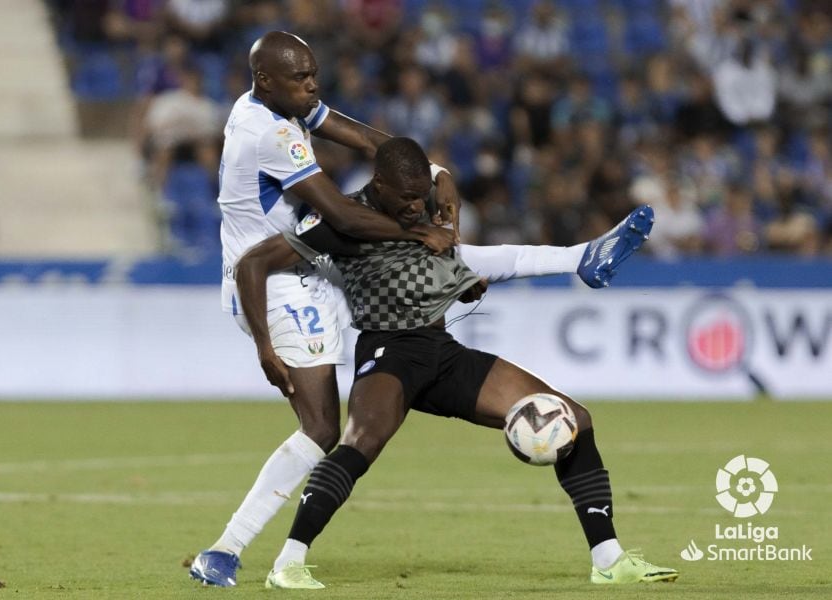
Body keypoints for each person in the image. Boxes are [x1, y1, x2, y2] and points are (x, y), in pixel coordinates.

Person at [189, 31, 650, 587]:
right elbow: (342, 216)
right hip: (275, 279)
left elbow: (364, 138)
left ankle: (609, 560)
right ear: (267, 79)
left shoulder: (267, 105)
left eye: (314, 73)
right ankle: (231, 550)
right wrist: (425, 230)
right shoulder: (274, 136)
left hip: (325, 280)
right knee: (321, 428)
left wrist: (432, 172)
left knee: (440, 273)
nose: (314, 85)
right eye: (302, 77)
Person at [234, 137, 676, 588]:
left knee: (575, 419)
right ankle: (288, 563)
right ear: (379, 185)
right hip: (390, 351)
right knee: (359, 443)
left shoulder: (423, 196)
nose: (414, 207)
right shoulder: (338, 220)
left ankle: (609, 560)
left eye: (419, 196)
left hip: (441, 352)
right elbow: (252, 264)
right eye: (405, 198)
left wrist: (458, 272)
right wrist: (265, 349)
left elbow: (437, 219)